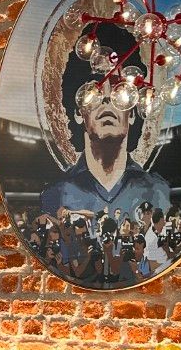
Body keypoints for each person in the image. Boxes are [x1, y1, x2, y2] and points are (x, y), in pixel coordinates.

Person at [39, 22, 172, 225]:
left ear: (133, 112)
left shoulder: (157, 191)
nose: (108, 98)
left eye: (120, 89)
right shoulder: (55, 194)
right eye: (95, 88)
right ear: (78, 111)